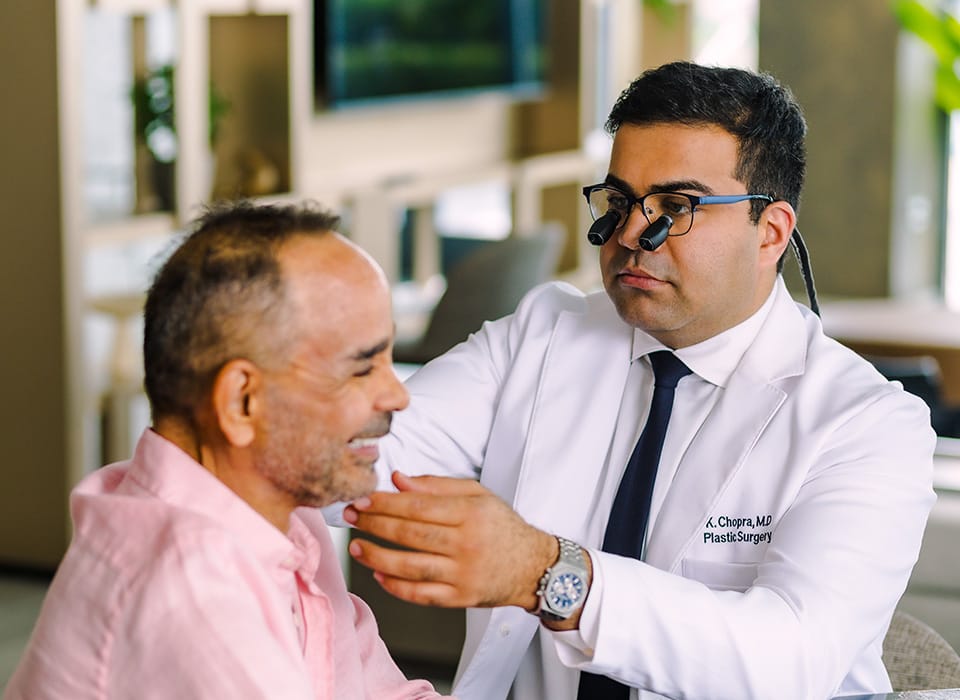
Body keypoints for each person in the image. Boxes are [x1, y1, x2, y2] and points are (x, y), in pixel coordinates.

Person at [340, 62, 937, 700]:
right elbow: (357, 454)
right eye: (620, 201)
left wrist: (548, 574)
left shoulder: (869, 426)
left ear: (770, 234)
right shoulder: (539, 336)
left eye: (676, 207)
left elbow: (790, 659)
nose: (629, 235)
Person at [5, 202, 448, 700]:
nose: (397, 396)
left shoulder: (285, 519)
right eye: (362, 368)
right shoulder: (191, 591)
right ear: (242, 402)